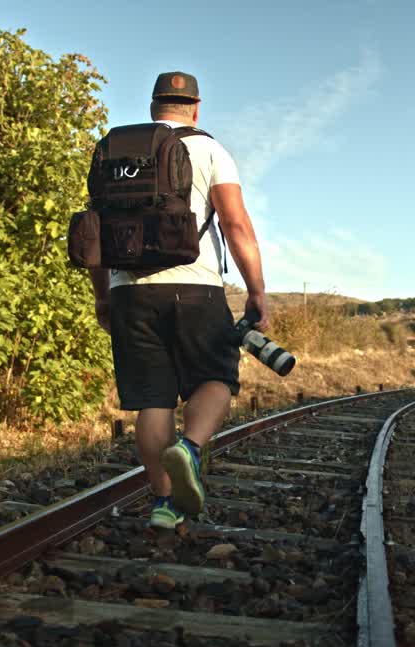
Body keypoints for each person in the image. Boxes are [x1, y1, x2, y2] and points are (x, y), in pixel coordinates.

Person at [88, 71, 270, 530]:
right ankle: (188, 448)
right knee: (216, 376)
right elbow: (236, 225)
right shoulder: (210, 149)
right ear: (195, 107)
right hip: (195, 284)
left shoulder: (112, 151)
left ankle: (164, 507)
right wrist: (257, 291)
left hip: (129, 290)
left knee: (152, 400)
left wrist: (103, 297)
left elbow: (93, 232)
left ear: (153, 107)